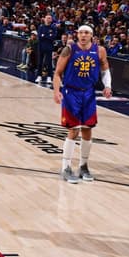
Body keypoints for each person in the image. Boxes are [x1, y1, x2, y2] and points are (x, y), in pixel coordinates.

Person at [53, 25, 112, 183]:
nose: (83, 35)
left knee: (87, 131)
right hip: (71, 92)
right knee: (74, 130)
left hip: (89, 93)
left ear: (92, 35)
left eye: (86, 33)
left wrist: (108, 86)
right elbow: (58, 73)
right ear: (77, 35)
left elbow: (105, 69)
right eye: (81, 32)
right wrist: (56, 91)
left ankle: (83, 166)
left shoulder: (99, 50)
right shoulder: (69, 50)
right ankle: (65, 167)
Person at [36, 14, 59, 84]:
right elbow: (39, 37)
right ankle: (39, 76)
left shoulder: (53, 28)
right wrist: (48, 36)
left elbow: (53, 37)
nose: (49, 19)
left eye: (50, 18)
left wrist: (44, 36)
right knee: (40, 62)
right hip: (41, 46)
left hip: (49, 47)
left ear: (51, 20)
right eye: (47, 18)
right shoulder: (41, 27)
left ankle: (49, 77)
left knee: (49, 63)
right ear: (44, 19)